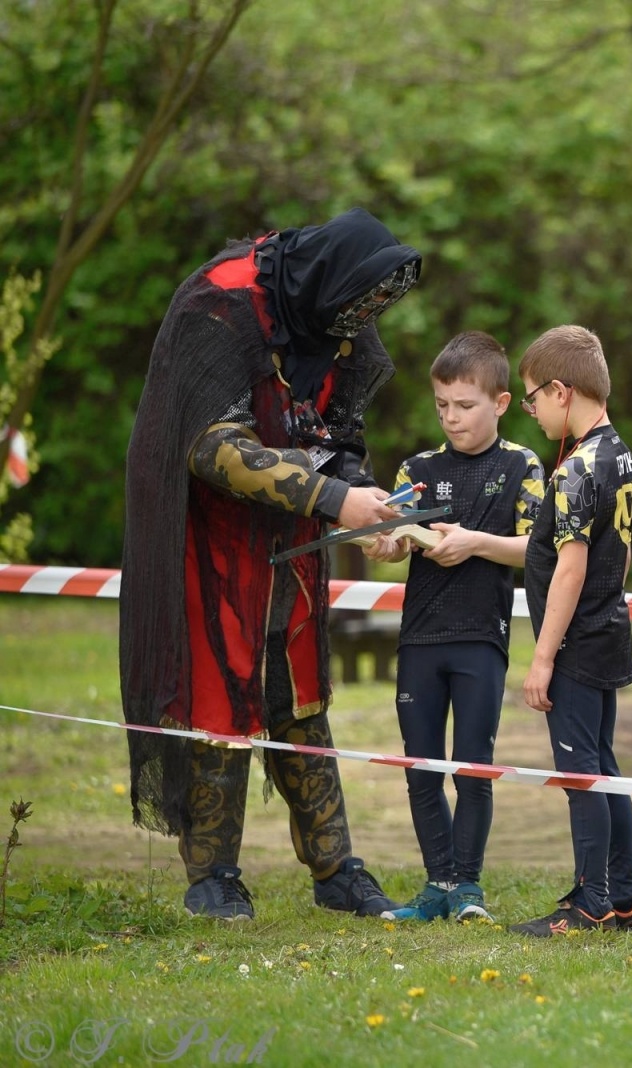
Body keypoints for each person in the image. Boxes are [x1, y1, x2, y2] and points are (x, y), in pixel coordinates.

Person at [120, 207, 422, 920]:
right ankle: (213, 876)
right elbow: (211, 446)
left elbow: (334, 438)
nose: (360, 325)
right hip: (208, 535)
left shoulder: (338, 312)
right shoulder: (221, 304)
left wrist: (368, 511)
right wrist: (335, 499)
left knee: (300, 695)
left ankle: (336, 869)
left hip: (291, 537)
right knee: (219, 692)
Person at [360, 331, 542, 925]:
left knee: (472, 768)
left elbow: (539, 549)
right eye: (442, 405)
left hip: (481, 638)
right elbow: (394, 541)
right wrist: (384, 543)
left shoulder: (521, 464)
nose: (451, 417)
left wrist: (474, 544)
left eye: (465, 405)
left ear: (502, 403)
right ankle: (436, 884)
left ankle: (468, 887)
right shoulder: (417, 469)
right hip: (419, 638)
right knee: (421, 767)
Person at [507, 325, 632, 938]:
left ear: (561, 392)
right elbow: (617, 553)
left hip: (575, 644)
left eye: (533, 398)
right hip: (606, 630)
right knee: (603, 767)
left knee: (580, 774)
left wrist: (543, 659)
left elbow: (570, 568)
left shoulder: (575, 470)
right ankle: (627, 896)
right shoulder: (620, 454)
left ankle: (590, 902)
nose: (533, 411)